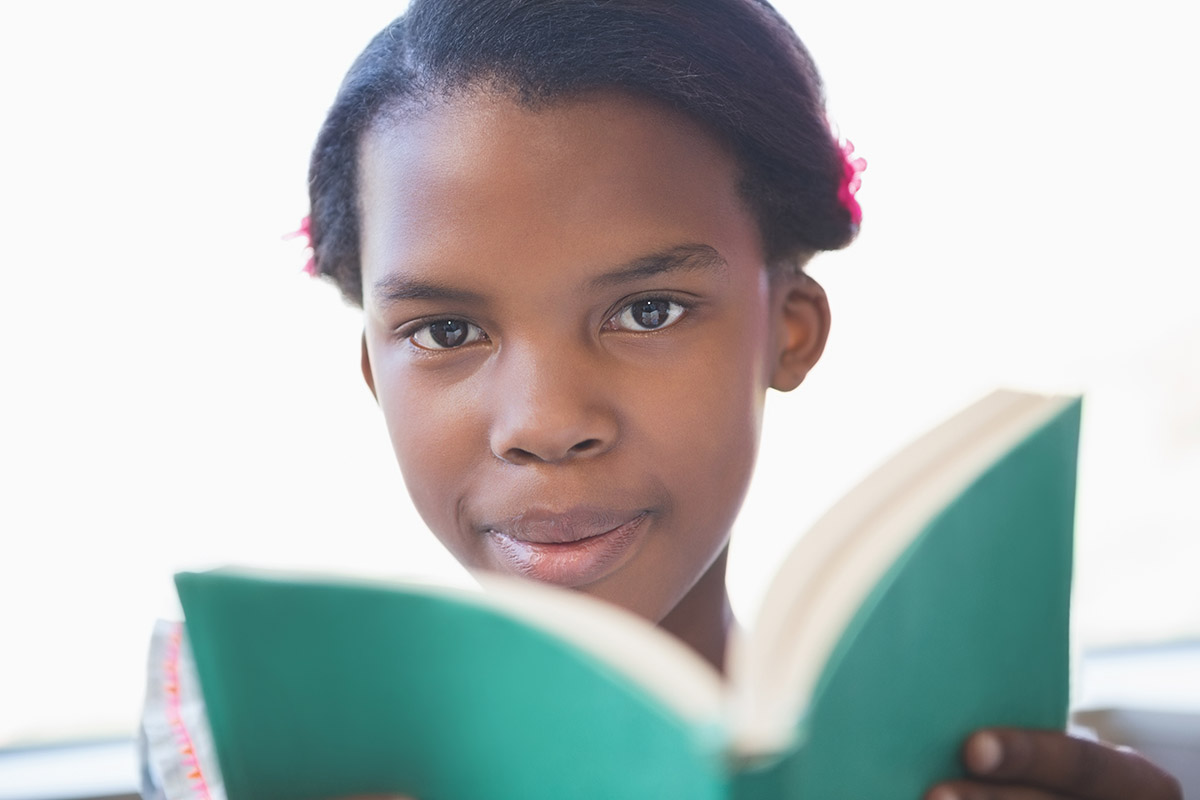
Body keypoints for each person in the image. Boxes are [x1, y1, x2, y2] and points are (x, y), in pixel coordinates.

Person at [140, 1, 1182, 798]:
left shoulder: (986, 761)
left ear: (790, 326)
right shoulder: (224, 764)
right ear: (375, 368)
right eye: (447, 331)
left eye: (648, 310)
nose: (548, 422)